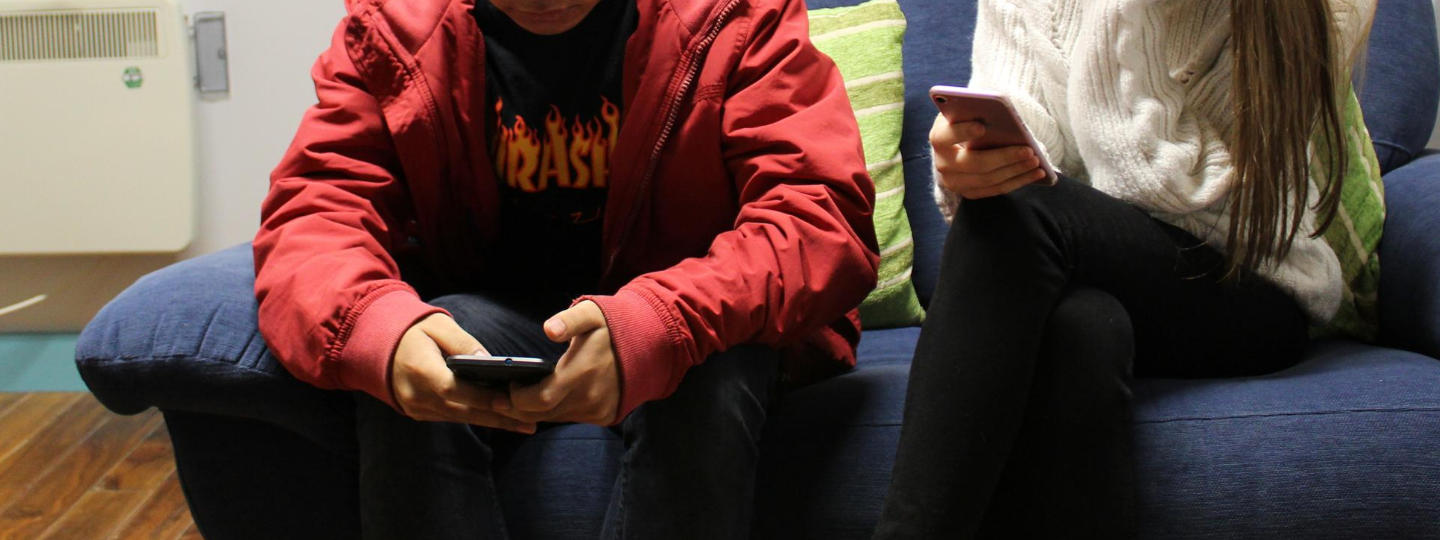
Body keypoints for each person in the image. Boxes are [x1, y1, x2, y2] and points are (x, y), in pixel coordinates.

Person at [251, 0, 880, 537]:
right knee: (418, 358)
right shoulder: (395, 25)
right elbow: (315, 216)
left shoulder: (737, 14)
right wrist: (376, 330)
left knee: (707, 375)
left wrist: (661, 319)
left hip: (697, 316)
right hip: (503, 313)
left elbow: (818, 219)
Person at [872, 0, 1378, 538]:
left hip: (1246, 284)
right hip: (1087, 269)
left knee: (1020, 209)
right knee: (1082, 325)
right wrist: (974, 161)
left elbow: (1178, 182)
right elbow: (1023, 132)